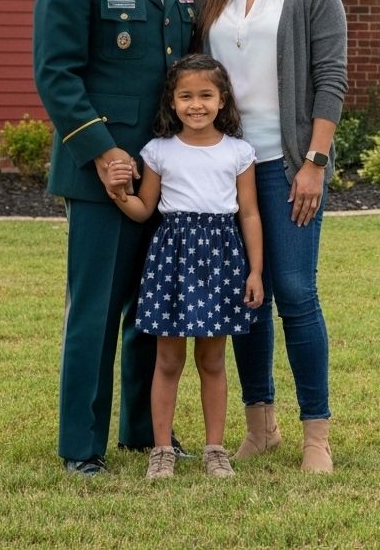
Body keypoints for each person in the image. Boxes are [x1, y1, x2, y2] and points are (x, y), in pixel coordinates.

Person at [33, 0, 197, 476]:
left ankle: (138, 428)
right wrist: (102, 154)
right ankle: (82, 445)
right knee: (96, 308)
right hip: (103, 171)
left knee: (152, 308)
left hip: (164, 169)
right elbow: (57, 74)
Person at [195, 0, 347, 473]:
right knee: (245, 298)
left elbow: (330, 80)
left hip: (287, 166)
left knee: (295, 292)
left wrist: (314, 162)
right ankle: (262, 426)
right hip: (225, 171)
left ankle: (317, 438)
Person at [106, 54, 263, 480]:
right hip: (171, 262)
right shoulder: (159, 152)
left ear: (222, 99)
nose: (196, 105)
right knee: (168, 360)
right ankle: (161, 451)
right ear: (172, 102)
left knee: (213, 360)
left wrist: (255, 271)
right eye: (186, 96)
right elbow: (144, 211)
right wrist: (121, 192)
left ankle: (215, 450)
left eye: (206, 95)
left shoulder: (239, 152)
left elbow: (248, 215)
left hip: (222, 261)